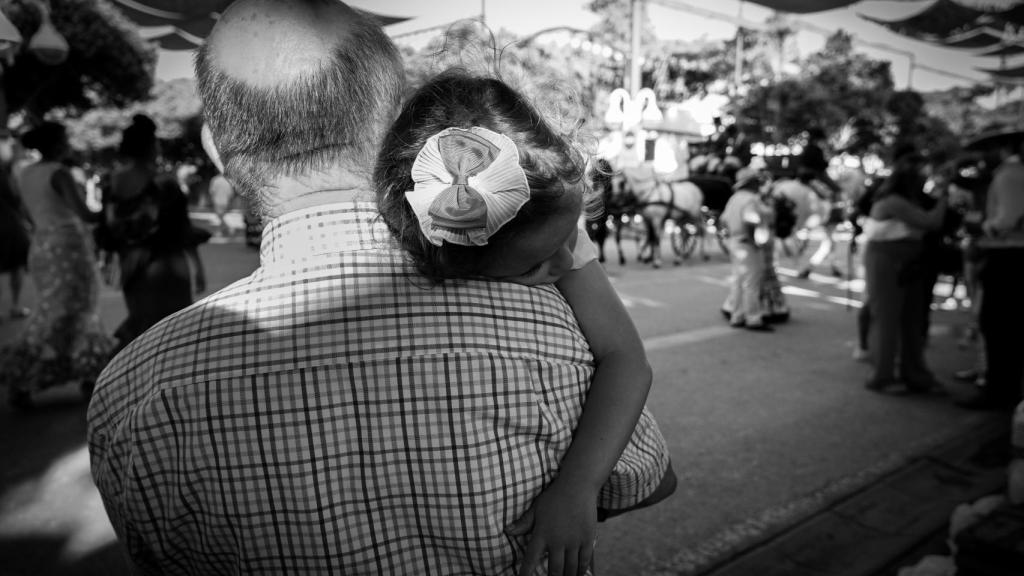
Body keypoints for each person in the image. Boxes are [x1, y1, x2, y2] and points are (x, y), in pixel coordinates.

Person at [88, 3, 670, 575]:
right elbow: (650, 478)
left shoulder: (132, 396)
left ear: (215, 150)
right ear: (398, 124)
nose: (557, 264)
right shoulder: (553, 331)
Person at [375, 70, 673, 575]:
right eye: (535, 267)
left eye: (570, 239)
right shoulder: (454, 238)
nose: (566, 265)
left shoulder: (546, 226)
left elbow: (628, 361)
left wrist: (578, 486)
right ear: (456, 262)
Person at [0, 122, 113, 407]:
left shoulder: (25, 173)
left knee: (51, 308)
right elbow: (86, 215)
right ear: (56, 144)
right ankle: (87, 372)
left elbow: (27, 213)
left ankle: (24, 372)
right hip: (69, 247)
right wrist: (110, 203)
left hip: (42, 246)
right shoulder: (58, 173)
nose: (68, 144)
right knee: (82, 307)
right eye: (64, 139)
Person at [98, 114, 206, 351]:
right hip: (167, 265)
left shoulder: (111, 183)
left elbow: (106, 228)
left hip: (131, 266)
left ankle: (127, 372)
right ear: (150, 147)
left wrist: (107, 260)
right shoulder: (164, 183)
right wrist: (197, 267)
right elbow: (181, 229)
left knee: (143, 323)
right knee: (173, 327)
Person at [862, 146, 947, 393]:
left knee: (911, 319)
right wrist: (943, 198)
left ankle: (914, 373)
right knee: (887, 318)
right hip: (888, 260)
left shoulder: (902, 199)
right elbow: (931, 222)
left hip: (906, 260)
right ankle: (883, 375)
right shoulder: (893, 201)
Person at [958, 136, 1024, 410]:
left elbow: (1006, 220)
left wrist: (984, 227)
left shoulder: (1010, 175)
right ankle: (1003, 387)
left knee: (998, 324)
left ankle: (998, 390)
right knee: (1003, 325)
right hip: (1011, 255)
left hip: (1008, 254)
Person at [720, 167, 776, 331]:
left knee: (738, 281)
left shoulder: (735, 198)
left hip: (735, 241)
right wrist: (755, 242)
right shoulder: (751, 199)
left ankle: (737, 316)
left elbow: (723, 220)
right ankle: (753, 318)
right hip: (746, 243)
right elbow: (751, 221)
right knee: (751, 282)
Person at [796, 127, 844, 279]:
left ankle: (831, 265)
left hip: (804, 177)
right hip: (815, 176)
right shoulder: (815, 149)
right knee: (837, 191)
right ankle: (835, 210)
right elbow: (822, 166)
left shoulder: (806, 149)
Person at [0, 153, 31, 320]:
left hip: (9, 224)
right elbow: (17, 199)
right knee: (16, 267)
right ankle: (15, 305)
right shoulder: (6, 175)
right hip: (10, 225)